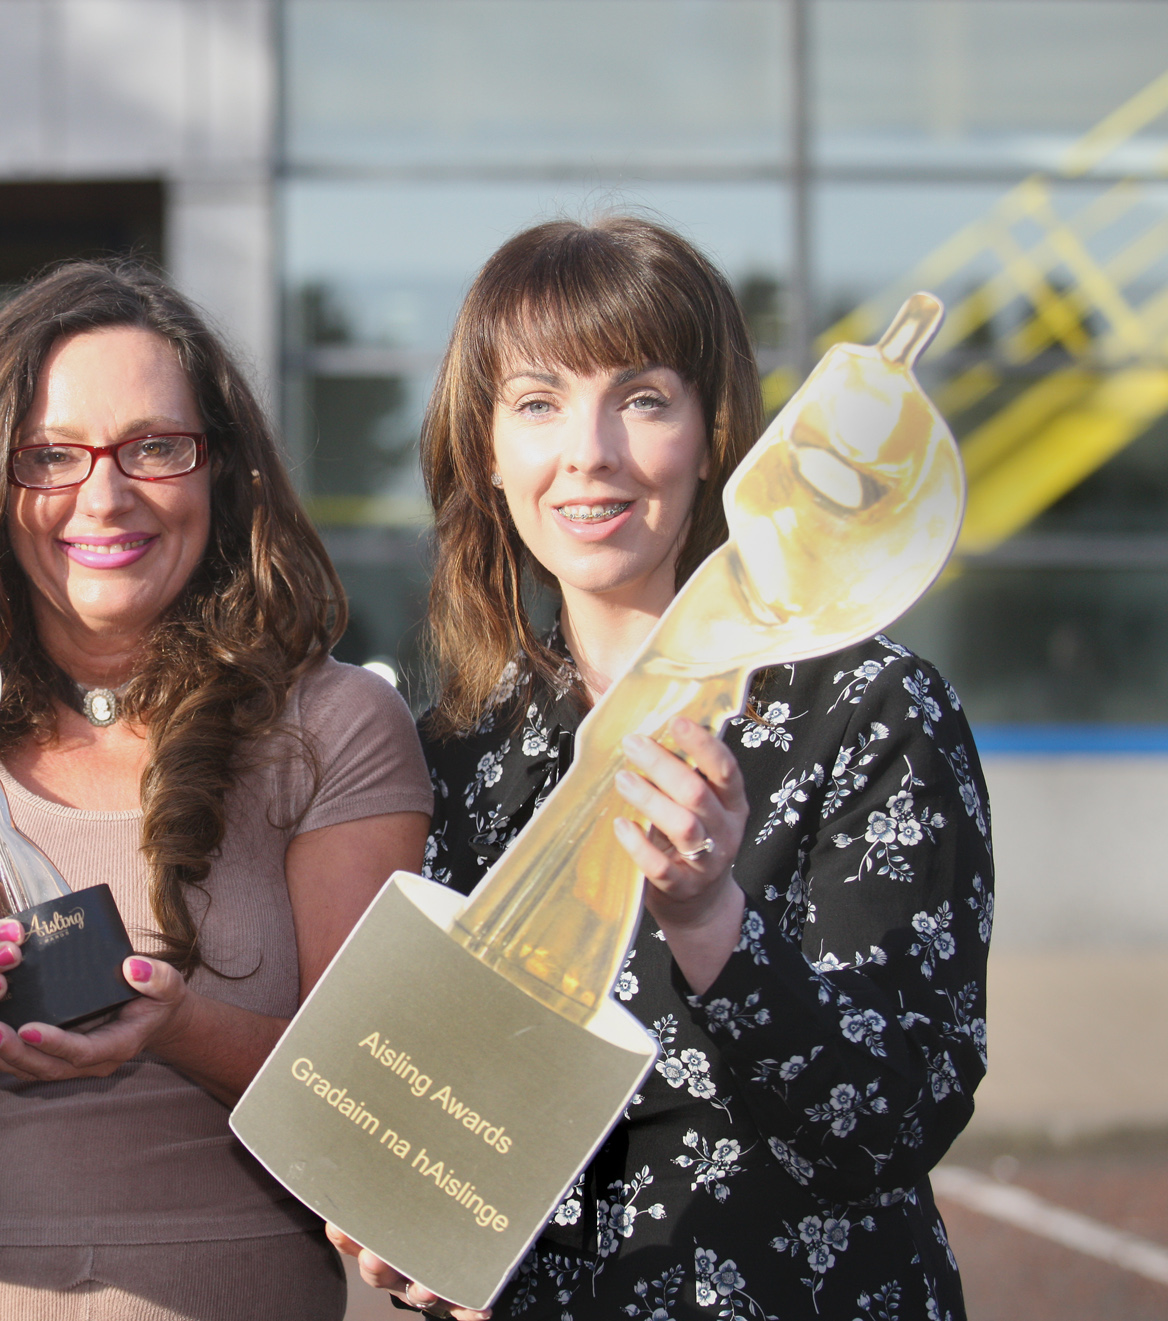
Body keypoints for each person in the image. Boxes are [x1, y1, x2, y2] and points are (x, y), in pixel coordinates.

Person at [337, 217, 992, 1319]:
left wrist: (707, 920)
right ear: (486, 453)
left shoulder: (870, 710)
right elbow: (450, 1108)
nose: (587, 451)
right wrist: (406, 1225)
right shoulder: (458, 745)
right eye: (537, 403)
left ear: (710, 434)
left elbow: (895, 1118)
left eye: (641, 399)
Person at [0, 260, 434, 1319]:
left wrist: (177, 1023)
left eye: (154, 446)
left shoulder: (331, 725)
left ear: (221, 470)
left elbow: (372, 1104)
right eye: (49, 455)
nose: (102, 496)